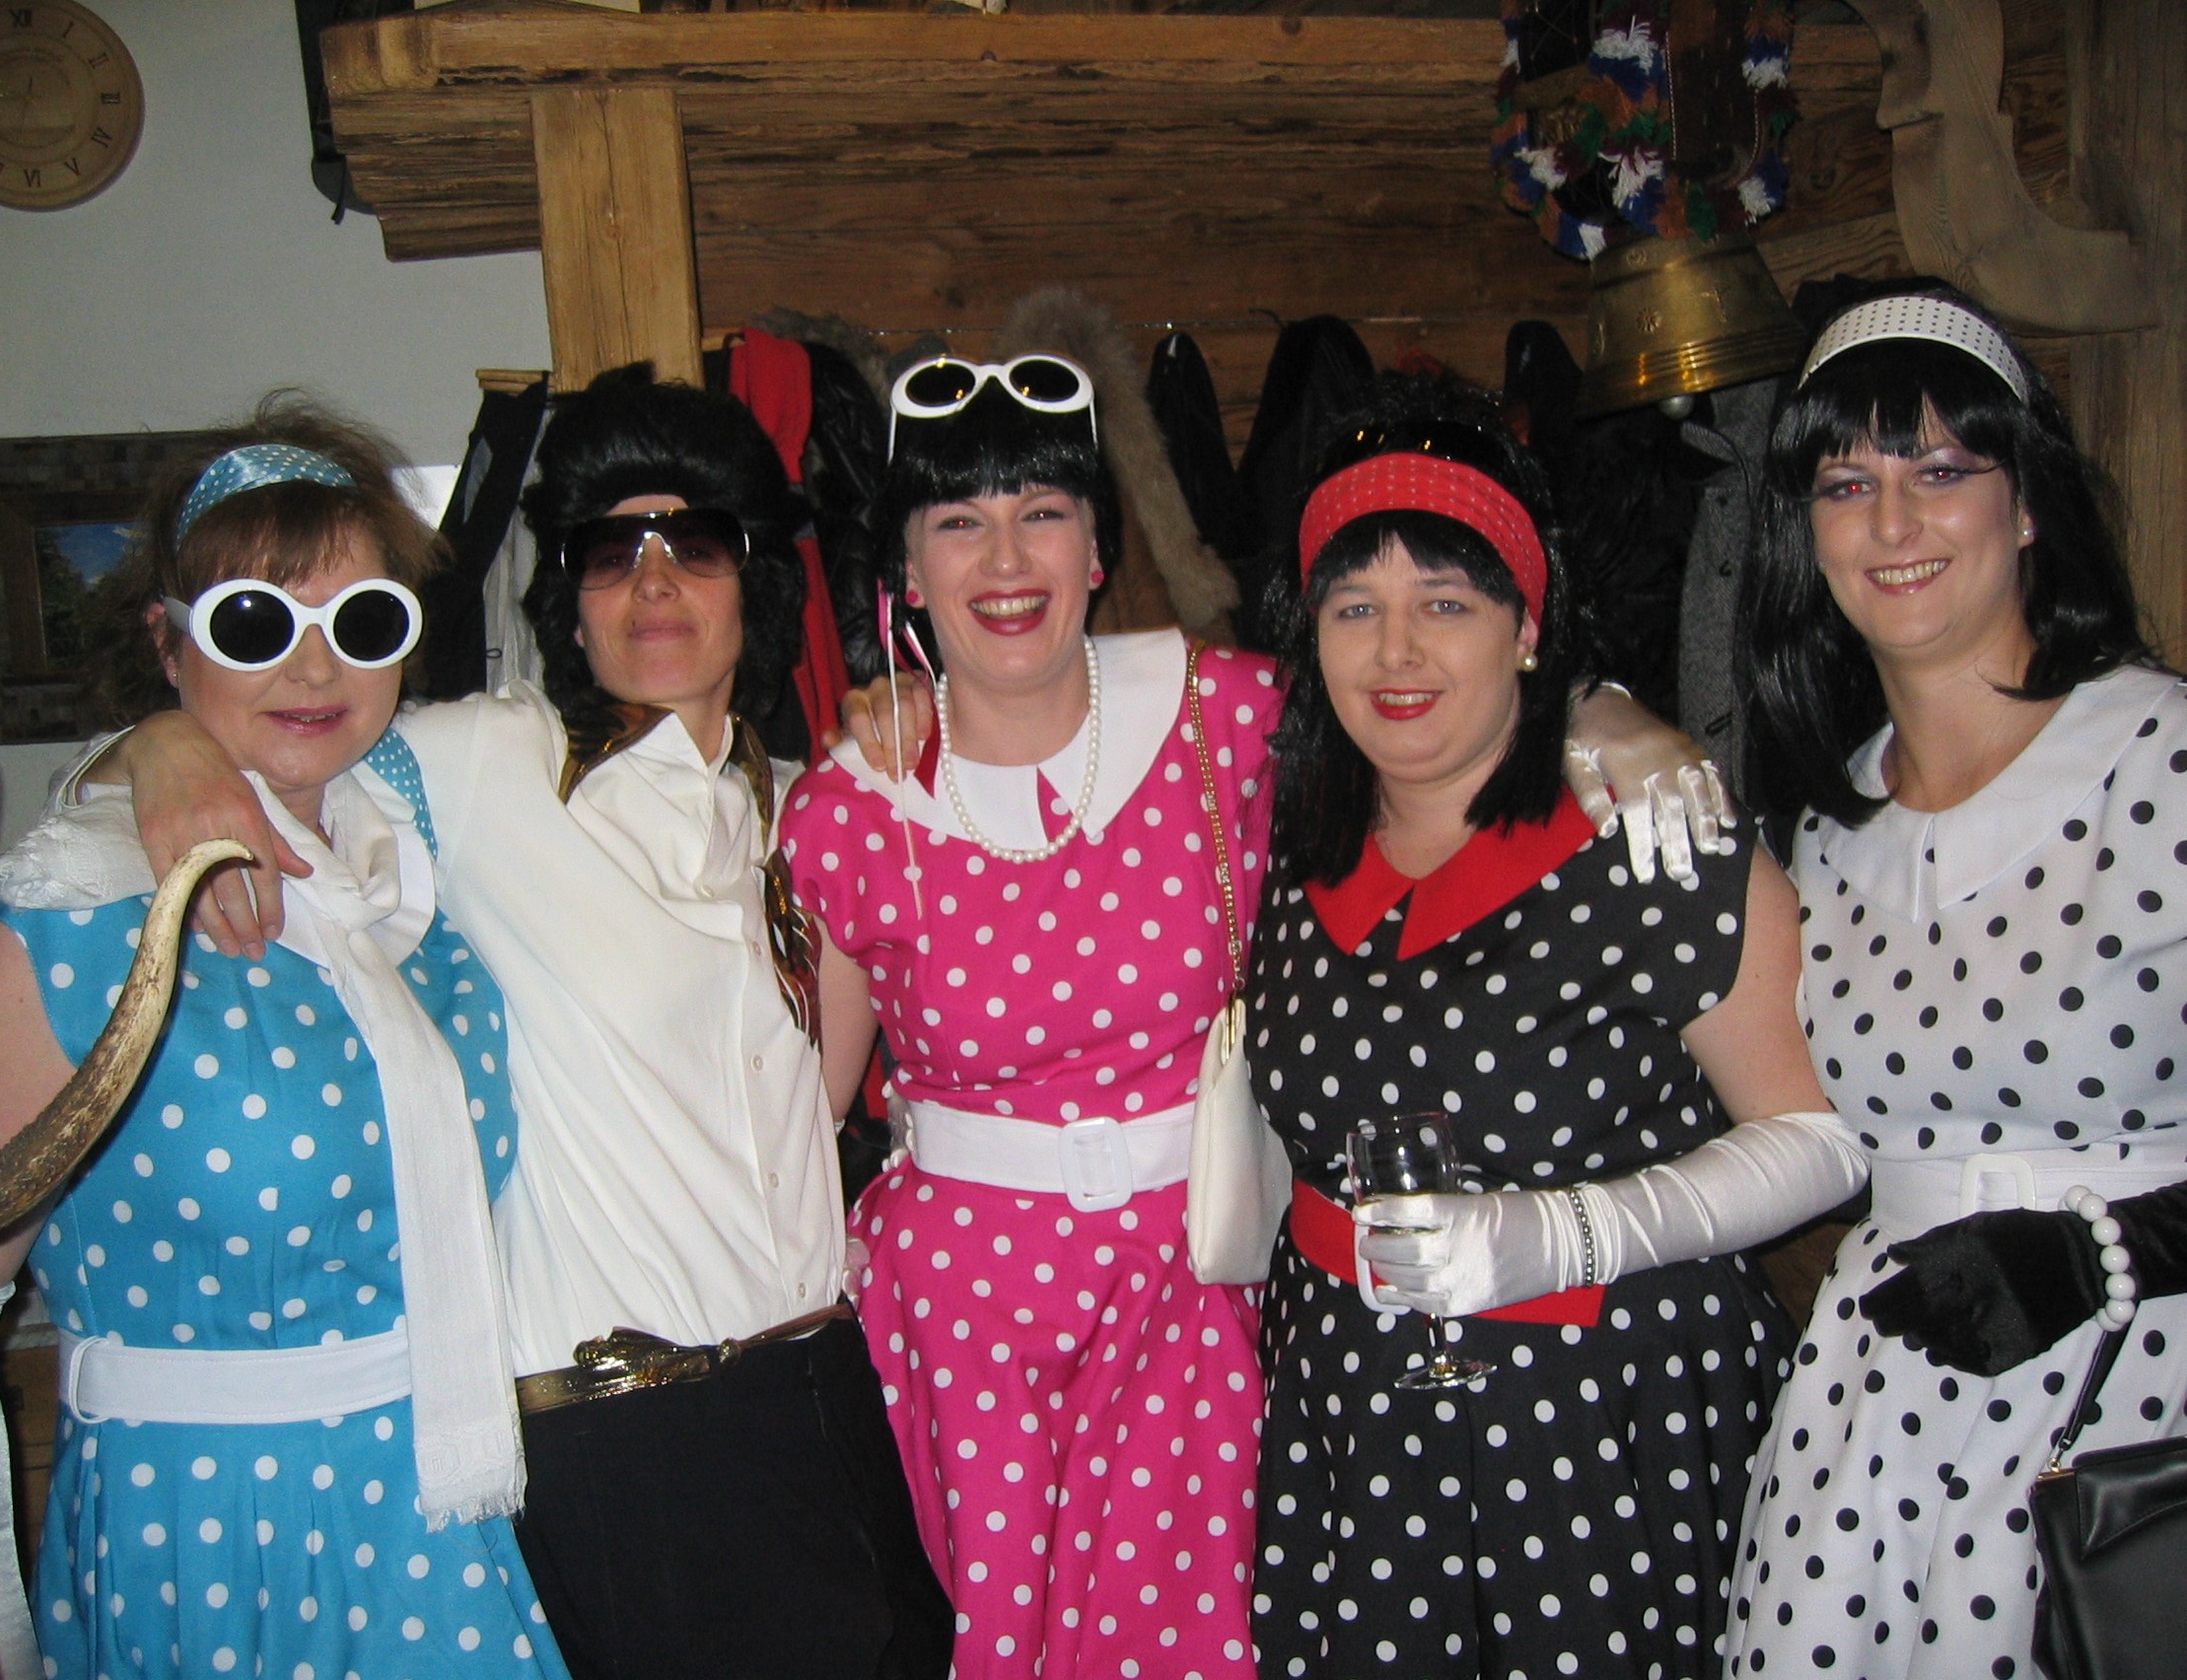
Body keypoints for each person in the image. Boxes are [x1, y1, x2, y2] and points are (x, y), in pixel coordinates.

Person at [783, 357, 1741, 1680]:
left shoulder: (1226, 718)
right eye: (959, 521)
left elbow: (1428, 692)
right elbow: (806, 1118)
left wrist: (1605, 708)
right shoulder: (848, 806)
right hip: (962, 1328)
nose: (1005, 558)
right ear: (904, 565)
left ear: (1100, 544)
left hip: (1193, 1288)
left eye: (1043, 511)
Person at [75, 365, 952, 1680]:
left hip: (828, 1397)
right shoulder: (478, 764)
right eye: (610, 554)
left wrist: (907, 717)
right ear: (568, 599)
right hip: (632, 1439)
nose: (654, 587)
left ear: (757, 581)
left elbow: (815, 1103)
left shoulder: (805, 805)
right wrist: (154, 743)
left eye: (695, 547)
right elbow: (287, 734)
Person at [1243, 378, 1867, 1679]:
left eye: (1446, 604)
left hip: (1604, 1426)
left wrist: (1568, 1232)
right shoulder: (1288, 850)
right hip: (1351, 1423)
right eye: (1354, 608)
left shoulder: (1659, 840)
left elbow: (1819, 1138)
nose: (1396, 652)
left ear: (1528, 627)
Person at [0, 404, 569, 1680]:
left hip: (439, 1511)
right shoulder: (66, 917)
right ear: (167, 643)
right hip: (202, 1531)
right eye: (253, 623)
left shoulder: (419, 880)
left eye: (363, 622)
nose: (314, 668)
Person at [1724, 290, 2187, 1679]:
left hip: (2134, 1406)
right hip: (1881, 1420)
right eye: (1846, 483)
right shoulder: (1831, 824)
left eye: (1940, 470)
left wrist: (2100, 1252)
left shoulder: (2159, 761)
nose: (1893, 522)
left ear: (2027, 503)